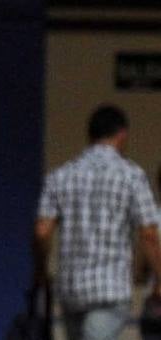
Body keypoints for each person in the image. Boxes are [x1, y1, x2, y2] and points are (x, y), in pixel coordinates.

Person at [34, 104, 161, 340]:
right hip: (111, 290)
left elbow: (42, 232)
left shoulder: (59, 177)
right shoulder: (131, 176)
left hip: (71, 290)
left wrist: (40, 270)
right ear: (122, 135)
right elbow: (149, 234)